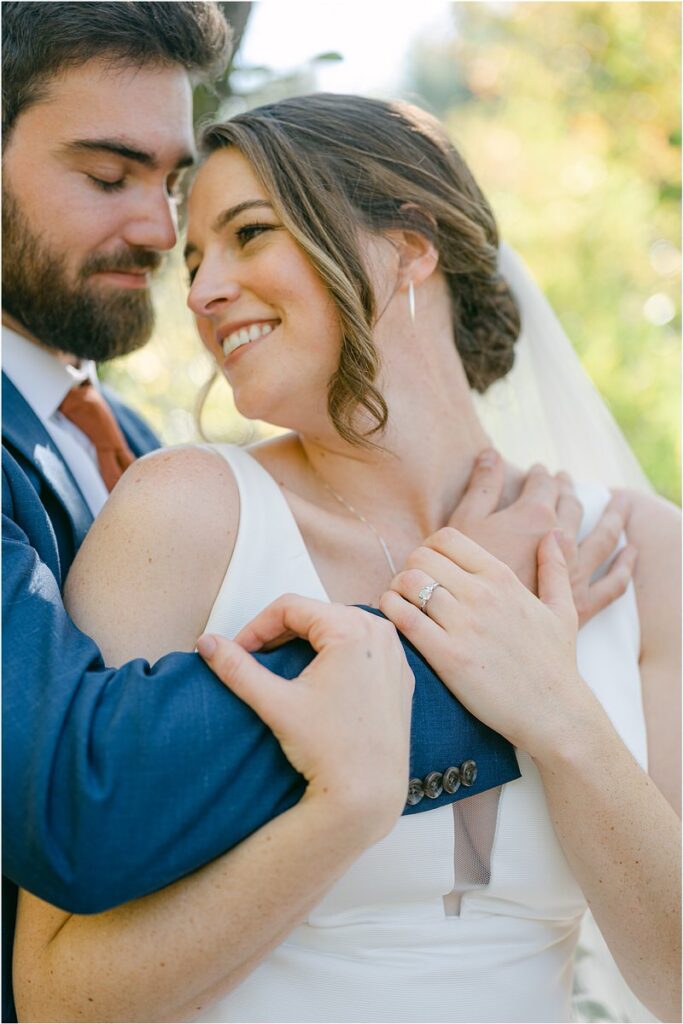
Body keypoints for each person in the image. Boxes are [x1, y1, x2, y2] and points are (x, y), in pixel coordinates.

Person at [1, 6, 618, 1021]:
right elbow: (77, 797)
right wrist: (455, 613)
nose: (164, 239)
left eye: (165, 183)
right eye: (109, 178)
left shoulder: (136, 444)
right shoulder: (186, 504)